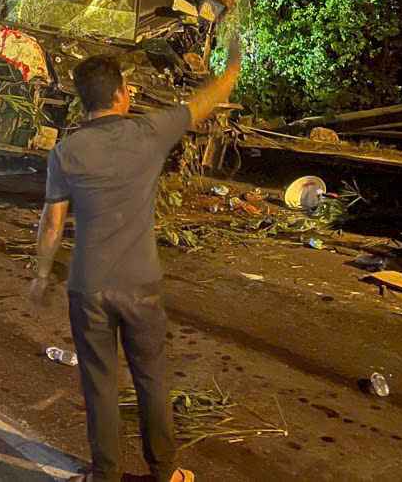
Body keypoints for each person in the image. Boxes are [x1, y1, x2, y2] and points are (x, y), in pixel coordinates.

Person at [29, 39, 242, 482]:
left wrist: (41, 275)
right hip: (141, 287)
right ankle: (164, 472)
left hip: (88, 288)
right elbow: (201, 104)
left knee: (100, 384)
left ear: (83, 102)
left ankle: (105, 474)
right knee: (151, 380)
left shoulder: (66, 151)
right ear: (121, 94)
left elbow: (52, 224)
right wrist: (230, 72)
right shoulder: (149, 133)